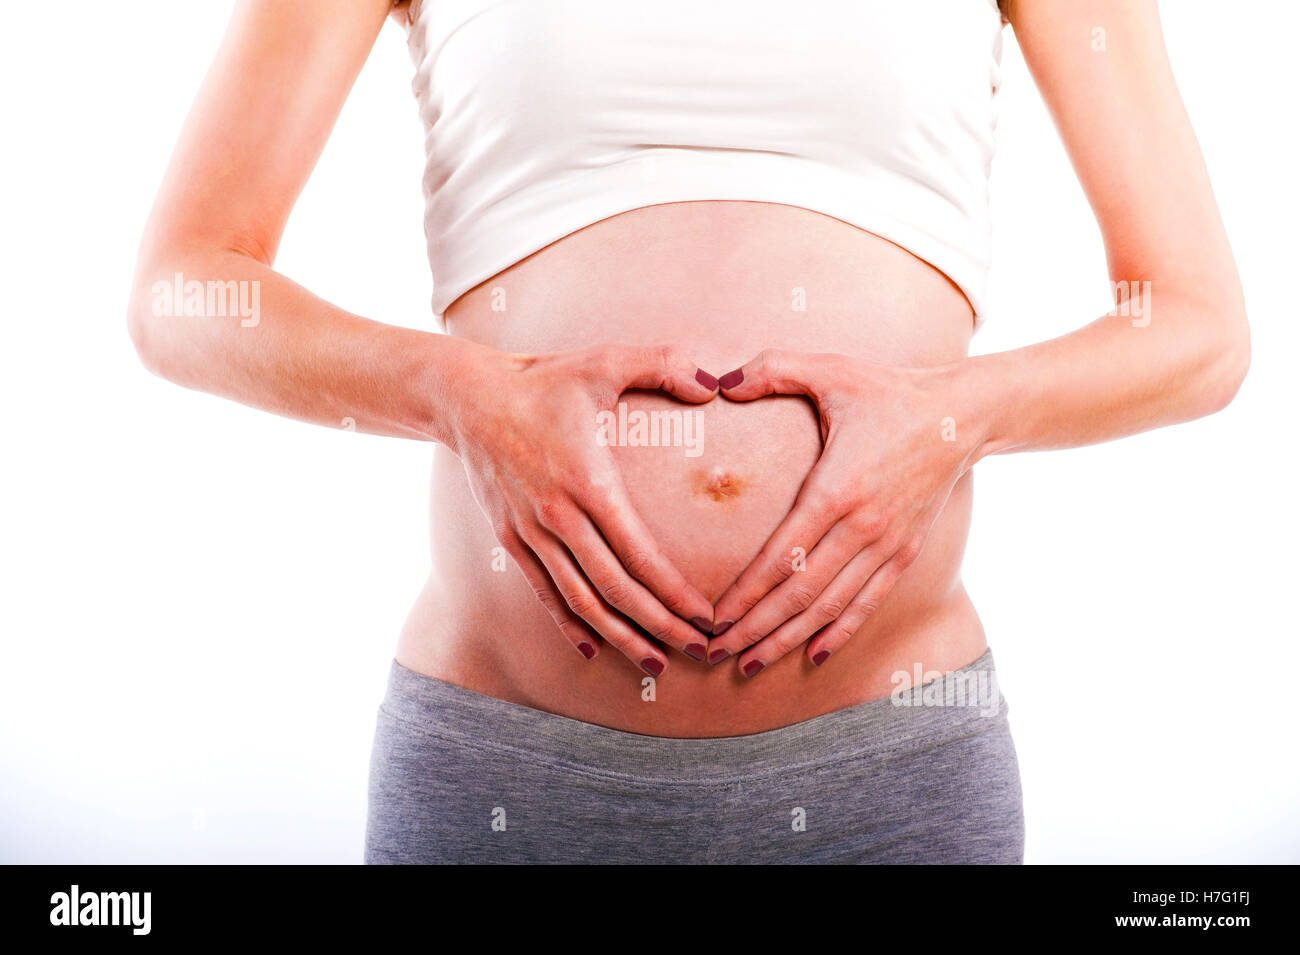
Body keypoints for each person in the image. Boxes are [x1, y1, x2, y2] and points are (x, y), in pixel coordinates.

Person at [128, 0, 1249, 863]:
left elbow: (1198, 327)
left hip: (887, 774)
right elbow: (184, 292)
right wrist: (455, 395)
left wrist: (950, 419)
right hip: (508, 767)